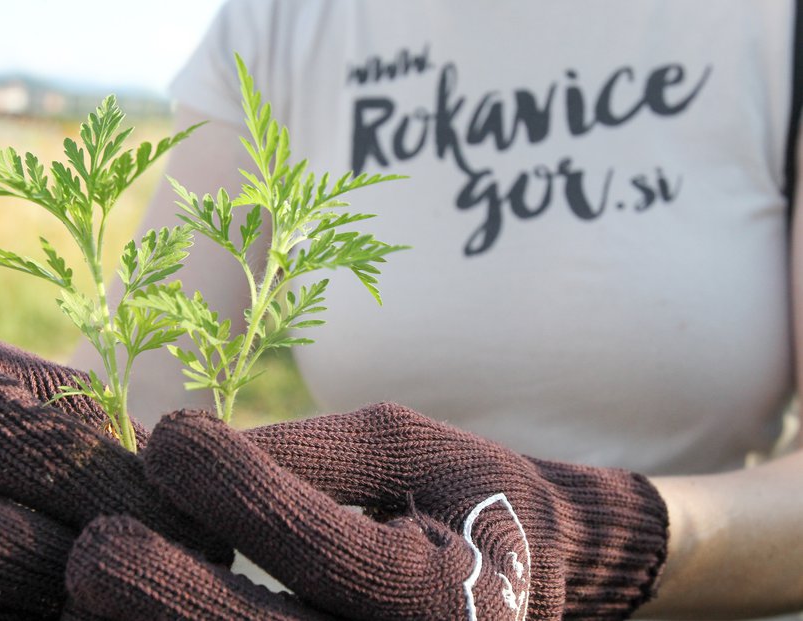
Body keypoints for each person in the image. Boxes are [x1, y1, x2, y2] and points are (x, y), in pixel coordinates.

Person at [100, 0, 802, 617]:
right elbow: (144, 382)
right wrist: (41, 460)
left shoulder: (772, 21)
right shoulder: (283, 21)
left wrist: (581, 544)